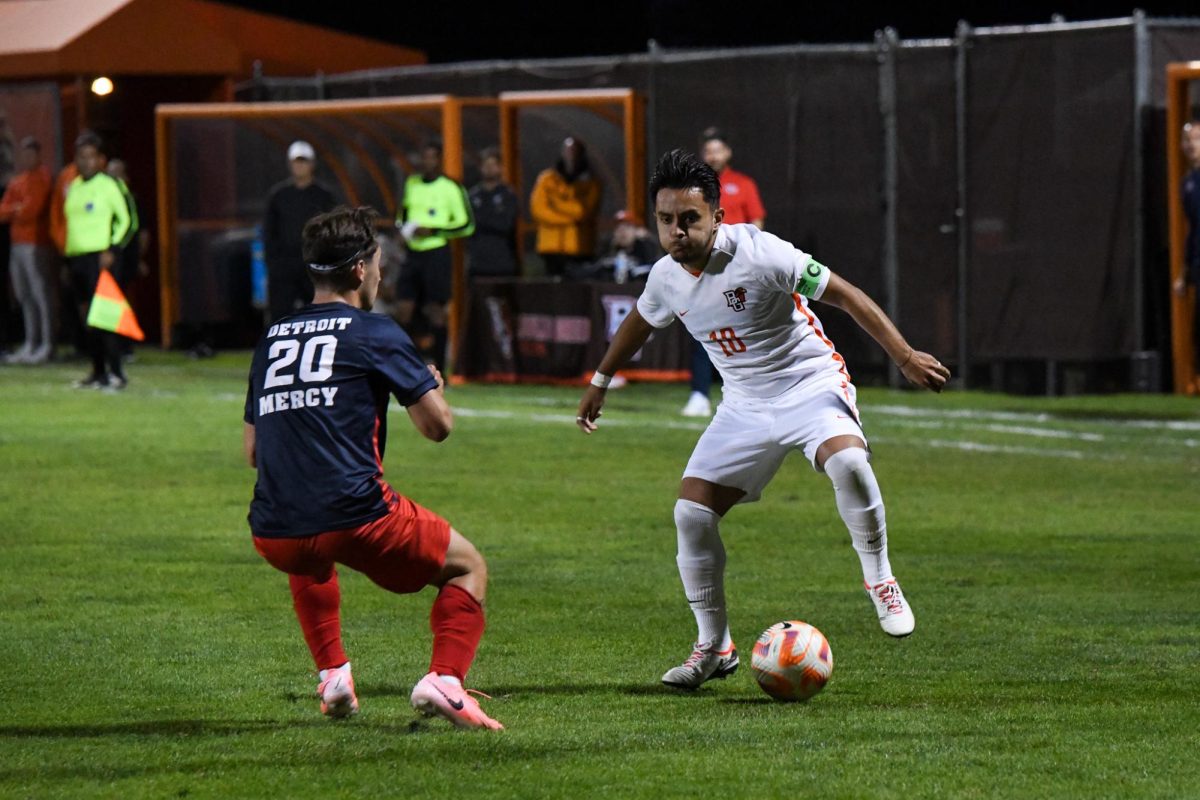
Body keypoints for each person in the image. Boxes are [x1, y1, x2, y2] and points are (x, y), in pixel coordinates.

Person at [576, 150, 950, 690]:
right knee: (690, 515)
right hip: (744, 405)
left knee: (847, 460)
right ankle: (714, 647)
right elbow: (640, 321)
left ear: (717, 217)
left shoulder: (760, 251)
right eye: (666, 220)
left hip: (809, 384)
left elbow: (844, 295)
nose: (677, 231)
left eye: (689, 219)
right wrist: (600, 380)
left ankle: (879, 578)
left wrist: (905, 355)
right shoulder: (664, 277)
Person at [243, 205, 502, 730]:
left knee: (308, 556)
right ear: (361, 269)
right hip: (358, 515)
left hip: (274, 529)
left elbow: (253, 451)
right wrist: (429, 386)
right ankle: (444, 681)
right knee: (467, 566)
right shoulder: (375, 332)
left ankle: (333, 674)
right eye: (380, 262)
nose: (383, 273)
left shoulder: (272, 339)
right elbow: (438, 427)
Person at [681, 128, 769, 418]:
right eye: (708, 150)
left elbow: (756, 223)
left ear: (727, 153)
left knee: (747, 329)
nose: (713, 155)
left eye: (718, 149)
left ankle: (755, 394)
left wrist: (752, 261)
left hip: (739, 268)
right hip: (704, 267)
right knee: (703, 329)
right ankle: (699, 395)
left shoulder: (743, 184)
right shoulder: (693, 188)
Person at [396, 139, 474, 375]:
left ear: (439, 159)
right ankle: (406, 366)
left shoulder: (451, 187)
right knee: (403, 309)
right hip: (413, 253)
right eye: (424, 156)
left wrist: (435, 231)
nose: (427, 161)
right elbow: (404, 214)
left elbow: (466, 224)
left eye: (432, 157)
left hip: (437, 252)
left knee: (436, 311)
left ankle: (440, 368)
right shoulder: (413, 183)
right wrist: (403, 231)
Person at [63, 132, 131, 389]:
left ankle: (116, 372)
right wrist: (66, 260)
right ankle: (97, 371)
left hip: (99, 258)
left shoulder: (110, 185)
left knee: (104, 316)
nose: (86, 162)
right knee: (86, 318)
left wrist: (112, 249)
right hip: (76, 258)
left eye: (91, 156)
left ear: (100, 159)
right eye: (81, 157)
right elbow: (73, 225)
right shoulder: (75, 187)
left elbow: (127, 221)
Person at [263, 140, 337, 324]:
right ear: (290, 164)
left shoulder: (324, 196)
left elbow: (333, 230)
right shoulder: (278, 195)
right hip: (284, 265)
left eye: (304, 161)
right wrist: (273, 263)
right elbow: (269, 231)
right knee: (280, 315)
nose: (300, 166)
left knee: (318, 316)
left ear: (312, 164)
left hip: (314, 265)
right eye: (297, 161)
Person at [0, 136, 53, 363]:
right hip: (18, 243)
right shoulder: (18, 181)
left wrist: (15, 210)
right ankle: (31, 342)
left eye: (31, 153)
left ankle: (47, 343)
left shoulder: (42, 177)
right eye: (24, 153)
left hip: (36, 243)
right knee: (24, 295)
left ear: (38, 155)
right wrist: (16, 209)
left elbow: (33, 209)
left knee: (41, 295)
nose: (27, 158)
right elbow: (2, 212)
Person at [529, 136, 601, 279]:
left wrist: (556, 204)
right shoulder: (547, 179)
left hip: (580, 248)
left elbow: (583, 211)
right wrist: (570, 219)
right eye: (567, 151)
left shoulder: (591, 182)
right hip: (551, 248)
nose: (570, 155)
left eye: (574, 151)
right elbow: (538, 210)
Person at [1174, 121, 1200, 395]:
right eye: (1188, 140)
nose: (1191, 145)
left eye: (1196, 139)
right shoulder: (1188, 184)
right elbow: (1192, 230)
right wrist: (1183, 273)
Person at [467, 146, 519, 278]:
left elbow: (505, 224)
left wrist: (481, 219)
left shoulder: (508, 194)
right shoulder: (472, 195)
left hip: (503, 263)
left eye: (493, 164)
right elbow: (468, 224)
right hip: (477, 264)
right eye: (486, 164)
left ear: (500, 167)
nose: (489, 168)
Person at [600, 209, 660, 282]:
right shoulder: (607, 251)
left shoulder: (645, 251)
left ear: (637, 231)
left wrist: (648, 239)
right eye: (618, 228)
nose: (622, 231)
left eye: (627, 226)